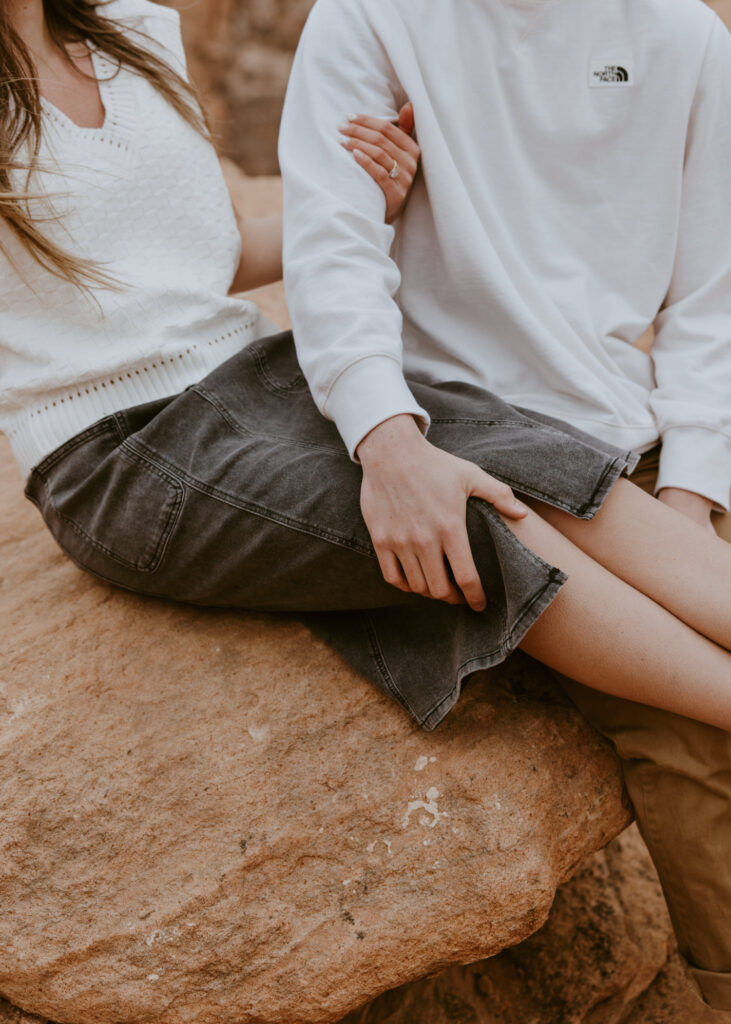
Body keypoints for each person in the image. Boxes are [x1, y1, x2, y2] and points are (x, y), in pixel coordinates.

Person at [1, 0, 729, 1012]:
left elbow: (183, 262)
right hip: (121, 447)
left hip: (248, 375)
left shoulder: (131, 34)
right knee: (464, 519)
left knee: (499, 439)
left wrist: (349, 205)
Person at [277, 0, 731, 1012]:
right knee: (696, 745)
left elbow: (714, 298)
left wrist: (694, 497)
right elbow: (329, 251)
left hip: (642, 449)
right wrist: (382, 436)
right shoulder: (367, 18)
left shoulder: (684, 40)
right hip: (467, 435)